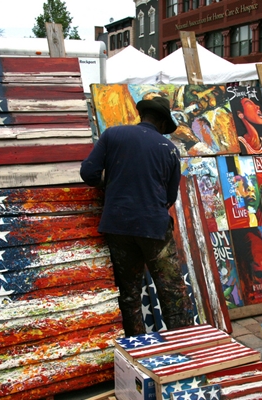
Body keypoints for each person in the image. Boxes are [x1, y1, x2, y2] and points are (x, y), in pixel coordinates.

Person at [80, 96, 193, 337]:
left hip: (118, 225)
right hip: (153, 227)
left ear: (143, 116)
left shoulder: (112, 135)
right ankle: (183, 347)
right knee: (172, 293)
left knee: (129, 294)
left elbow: (89, 173)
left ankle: (138, 350)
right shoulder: (170, 150)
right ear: (162, 124)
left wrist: (113, 185)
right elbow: (169, 198)